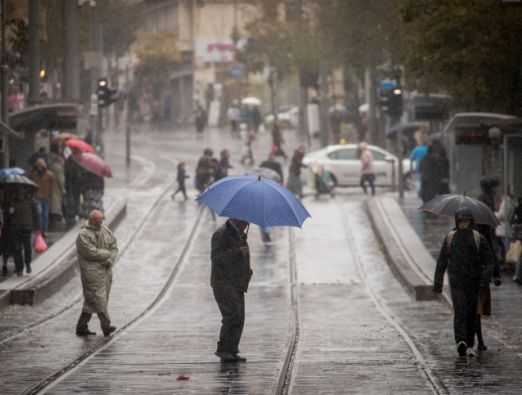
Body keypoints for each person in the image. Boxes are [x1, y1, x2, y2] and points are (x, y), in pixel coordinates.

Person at [433, 207, 494, 357]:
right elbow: (441, 262)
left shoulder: (478, 238)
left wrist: (485, 279)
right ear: (457, 221)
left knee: (472, 313)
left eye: (466, 221)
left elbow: (489, 261)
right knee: (460, 311)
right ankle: (461, 341)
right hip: (456, 282)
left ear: (471, 221)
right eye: (461, 221)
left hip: (474, 282)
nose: (463, 224)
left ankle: (470, 343)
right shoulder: (450, 237)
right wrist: (438, 284)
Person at [211, 218, 253, 362]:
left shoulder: (239, 234)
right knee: (232, 316)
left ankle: (232, 350)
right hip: (224, 282)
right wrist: (237, 252)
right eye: (245, 221)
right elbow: (216, 258)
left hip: (237, 282)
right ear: (237, 219)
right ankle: (224, 350)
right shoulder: (222, 234)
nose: (247, 224)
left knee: (239, 317)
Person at [76, 209, 118, 337]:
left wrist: (110, 258)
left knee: (92, 300)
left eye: (102, 219)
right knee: (99, 299)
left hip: (105, 271)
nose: (101, 222)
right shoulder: (83, 235)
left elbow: (114, 247)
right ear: (93, 220)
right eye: (99, 220)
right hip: (92, 273)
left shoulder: (105, 230)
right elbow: (90, 252)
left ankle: (81, 327)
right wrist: (106, 254)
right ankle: (106, 326)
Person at [10, 188, 39, 275]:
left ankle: (28, 264)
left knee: (27, 248)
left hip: (27, 228)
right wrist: (10, 211)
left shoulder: (31, 202)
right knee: (16, 249)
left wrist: (37, 227)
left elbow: (36, 215)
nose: (20, 194)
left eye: (22, 192)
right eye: (18, 193)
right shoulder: (13, 202)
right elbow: (9, 216)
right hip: (15, 228)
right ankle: (19, 268)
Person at [29, 158, 55, 237]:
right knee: (39, 214)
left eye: (41, 166)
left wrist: (51, 195)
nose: (40, 168)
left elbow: (52, 186)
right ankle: (40, 231)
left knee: (45, 215)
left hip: (46, 197)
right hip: (37, 197)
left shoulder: (50, 175)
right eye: (38, 166)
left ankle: (44, 230)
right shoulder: (33, 174)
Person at [47, 143, 65, 228]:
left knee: (50, 207)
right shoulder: (58, 167)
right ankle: (54, 225)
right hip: (56, 189)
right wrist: (63, 189)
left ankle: (50, 223)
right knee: (55, 207)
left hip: (48, 188)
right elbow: (61, 180)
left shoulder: (48, 163)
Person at [64, 154, 84, 227]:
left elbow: (66, 176)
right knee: (75, 200)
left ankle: (72, 215)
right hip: (74, 186)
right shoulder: (77, 165)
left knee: (72, 200)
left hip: (72, 186)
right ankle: (74, 214)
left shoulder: (68, 165)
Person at [409, 129, 428, 197]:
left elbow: (411, 159)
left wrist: (411, 169)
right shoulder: (428, 149)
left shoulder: (416, 149)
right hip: (428, 169)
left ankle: (420, 193)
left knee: (418, 182)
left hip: (419, 169)